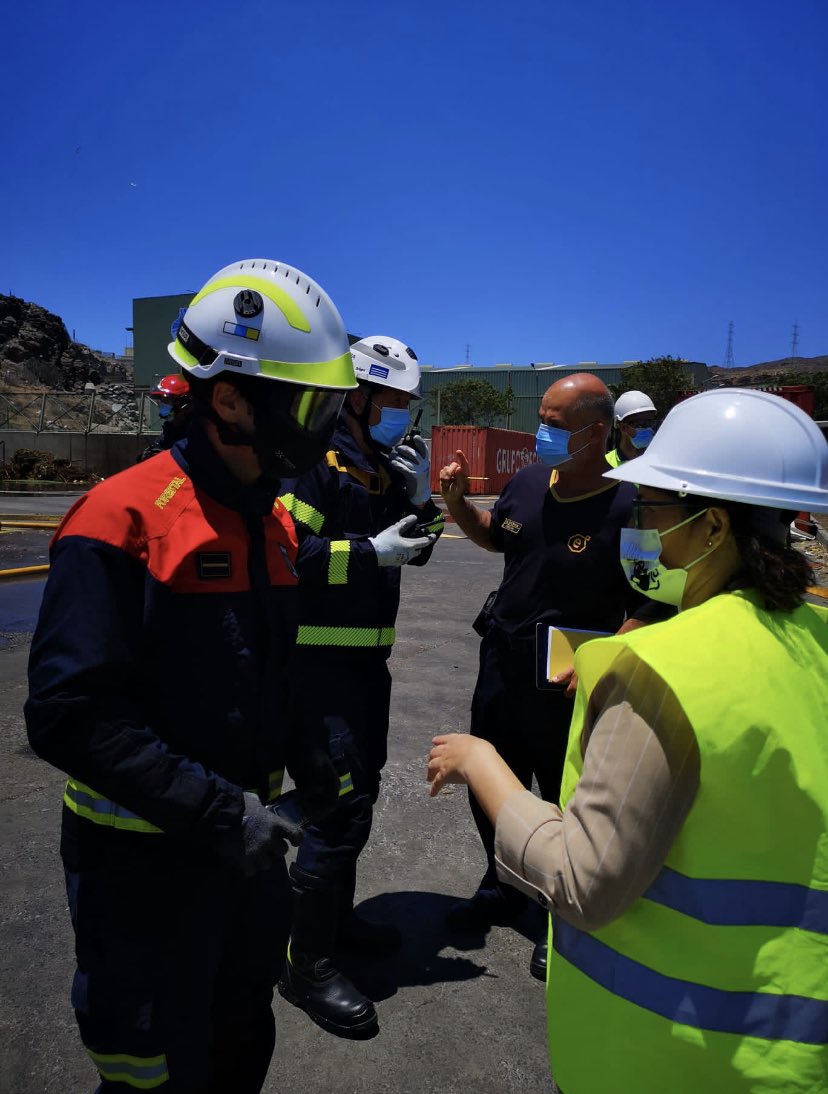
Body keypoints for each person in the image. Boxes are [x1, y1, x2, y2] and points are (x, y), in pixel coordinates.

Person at [428, 388, 828, 1094]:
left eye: (652, 509)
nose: (639, 522)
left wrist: (481, 764)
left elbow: (585, 879)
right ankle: (499, 886)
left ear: (712, 528)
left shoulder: (664, 670)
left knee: (550, 787)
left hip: (675, 1055)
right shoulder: (812, 637)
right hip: (785, 1044)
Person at [25, 258, 358, 1093]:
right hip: (138, 876)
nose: (322, 428)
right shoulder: (121, 519)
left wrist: (311, 747)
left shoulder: (273, 524)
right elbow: (69, 716)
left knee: (239, 1043)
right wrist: (216, 811)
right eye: (307, 404)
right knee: (149, 1071)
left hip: (240, 866)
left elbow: (265, 669)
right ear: (230, 398)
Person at [437, 374, 672, 981]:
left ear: (596, 432)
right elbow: (500, 540)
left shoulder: (632, 503)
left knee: (564, 796)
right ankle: (501, 885)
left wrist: (609, 655)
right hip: (503, 664)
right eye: (542, 417)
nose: (542, 430)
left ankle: (556, 911)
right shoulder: (526, 482)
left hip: (573, 677)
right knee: (492, 782)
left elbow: (655, 600)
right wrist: (460, 504)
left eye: (556, 423)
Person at [276, 334, 444, 1038]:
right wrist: (369, 552)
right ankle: (305, 963)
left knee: (358, 800)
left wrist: (423, 498)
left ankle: (333, 924)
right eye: (394, 402)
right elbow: (288, 556)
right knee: (336, 811)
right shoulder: (312, 464)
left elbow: (417, 550)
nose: (403, 414)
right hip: (313, 675)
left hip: (365, 671)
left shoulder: (378, 466)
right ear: (358, 397)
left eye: (409, 403)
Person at [137, 373, 193, 462]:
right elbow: (159, 445)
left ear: (184, 404)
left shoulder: (196, 435)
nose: (162, 405)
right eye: (161, 400)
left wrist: (166, 458)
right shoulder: (170, 429)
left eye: (166, 400)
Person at [604, 388, 659, 467]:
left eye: (650, 423)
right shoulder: (605, 464)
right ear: (623, 427)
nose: (648, 428)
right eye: (640, 424)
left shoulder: (660, 462)